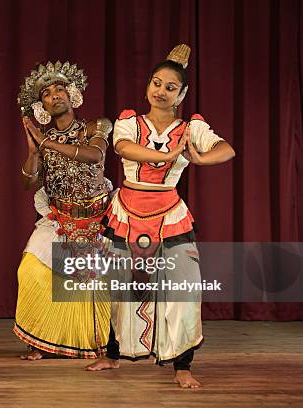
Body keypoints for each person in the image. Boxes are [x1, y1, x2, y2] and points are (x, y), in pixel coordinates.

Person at [84, 44, 235, 389]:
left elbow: (227, 149)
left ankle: (182, 364)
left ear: (182, 93)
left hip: (169, 214)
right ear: (147, 86)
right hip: (126, 210)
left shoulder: (190, 127)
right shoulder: (128, 121)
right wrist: (167, 156)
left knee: (183, 287)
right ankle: (112, 354)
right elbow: (124, 149)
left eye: (170, 87)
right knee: (116, 286)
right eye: (156, 83)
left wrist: (199, 159)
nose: (161, 91)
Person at [14, 61, 113, 360]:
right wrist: (34, 152)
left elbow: (93, 155)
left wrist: (44, 142)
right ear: (40, 105)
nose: (54, 95)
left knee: (89, 287)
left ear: (72, 95)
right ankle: (40, 341)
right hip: (59, 219)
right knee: (31, 270)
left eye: (59, 89)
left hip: (96, 220)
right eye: (46, 93)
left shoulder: (98, 126)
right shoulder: (42, 142)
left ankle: (94, 342)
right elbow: (26, 182)